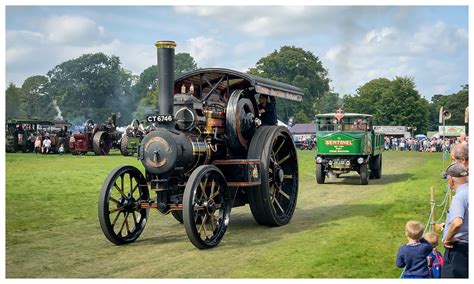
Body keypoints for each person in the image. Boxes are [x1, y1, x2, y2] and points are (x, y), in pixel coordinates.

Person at [441, 163, 469, 278]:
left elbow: (457, 222)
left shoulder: (459, 197)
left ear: (451, 180)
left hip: (459, 250)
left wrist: (447, 238)